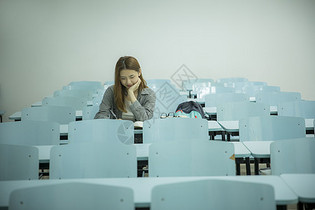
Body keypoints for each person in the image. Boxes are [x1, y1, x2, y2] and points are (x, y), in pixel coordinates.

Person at [94, 56, 156, 121]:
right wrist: (113, 122)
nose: (128, 82)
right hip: (117, 130)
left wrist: (131, 94)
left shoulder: (149, 94)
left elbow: (145, 120)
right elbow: (101, 116)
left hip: (140, 131)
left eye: (131, 77)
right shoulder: (111, 91)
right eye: (123, 78)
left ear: (139, 72)